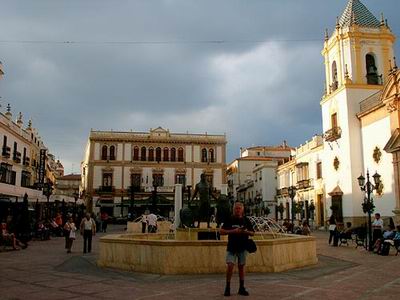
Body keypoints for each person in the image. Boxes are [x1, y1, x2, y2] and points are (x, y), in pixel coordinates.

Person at [220, 201, 254, 297]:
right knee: (230, 265)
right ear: (233, 209)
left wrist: (245, 231)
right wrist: (233, 231)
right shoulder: (229, 219)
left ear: (242, 210)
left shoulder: (246, 220)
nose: (237, 210)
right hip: (231, 247)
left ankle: (241, 288)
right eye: (236, 208)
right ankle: (227, 287)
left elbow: (252, 233)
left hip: (243, 247)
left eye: (239, 208)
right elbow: (221, 231)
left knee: (241, 267)